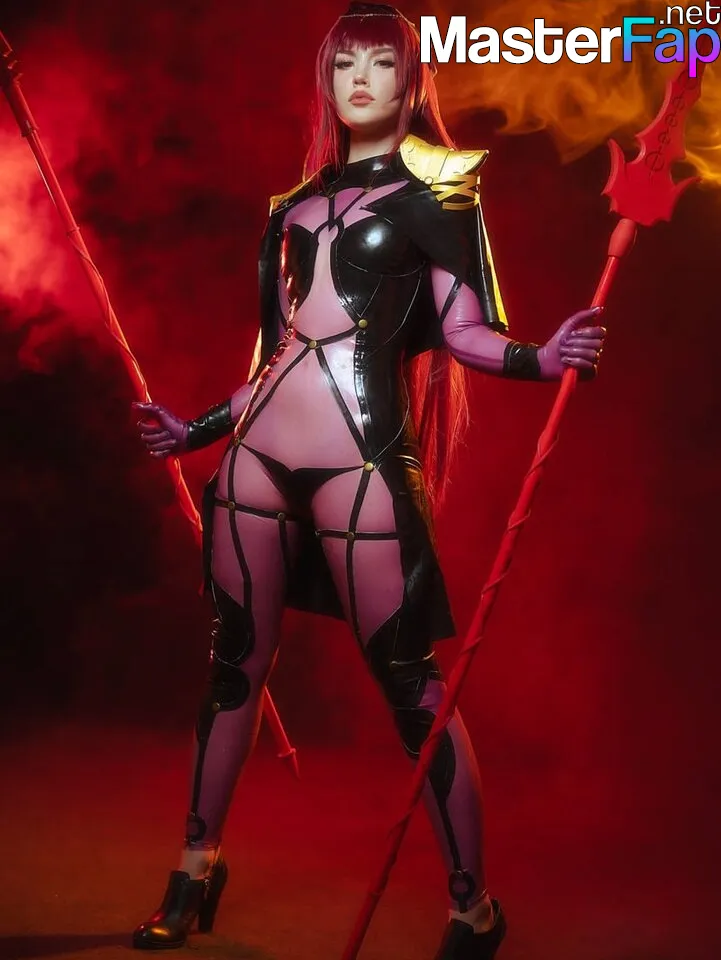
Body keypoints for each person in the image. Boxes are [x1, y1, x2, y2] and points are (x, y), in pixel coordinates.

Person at [131, 4, 605, 958]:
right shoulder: (291, 207)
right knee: (234, 664)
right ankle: (194, 866)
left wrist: (540, 358)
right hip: (256, 459)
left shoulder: (441, 194)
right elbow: (278, 356)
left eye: (379, 63)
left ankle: (473, 910)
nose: (358, 78)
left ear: (409, 79)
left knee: (411, 687)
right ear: (326, 79)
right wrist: (195, 432)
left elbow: (465, 333)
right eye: (343, 62)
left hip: (362, 461)